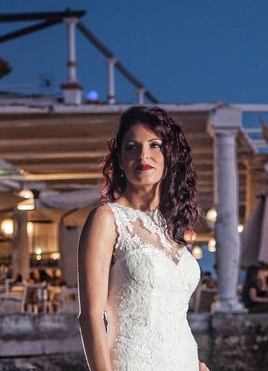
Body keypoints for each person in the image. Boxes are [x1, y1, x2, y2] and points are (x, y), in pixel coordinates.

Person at [78, 106, 209, 371]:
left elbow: (170, 313)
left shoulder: (173, 226)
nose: (143, 155)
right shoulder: (106, 219)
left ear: (170, 154)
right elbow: (90, 316)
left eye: (155, 145)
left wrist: (197, 364)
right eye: (132, 147)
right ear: (120, 158)